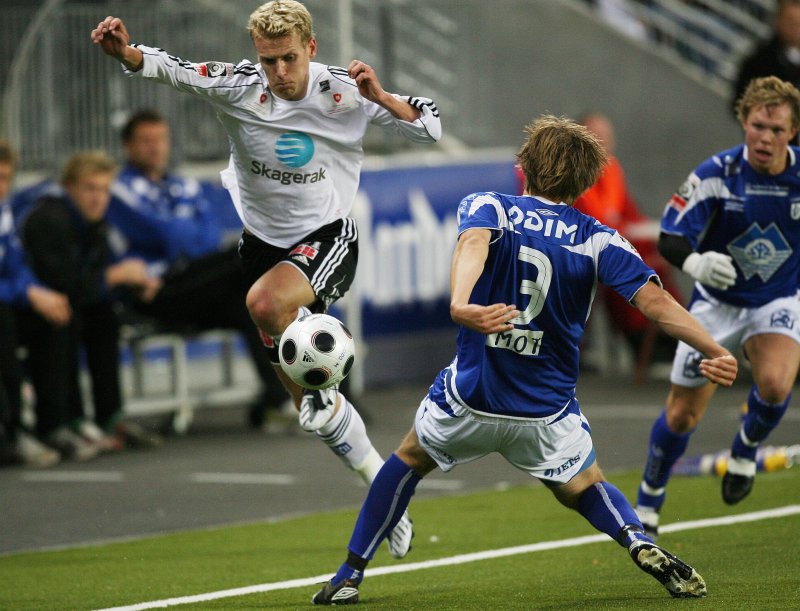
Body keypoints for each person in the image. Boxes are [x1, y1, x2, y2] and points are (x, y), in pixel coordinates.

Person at [310, 115, 738, 605]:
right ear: (584, 182)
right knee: (585, 484)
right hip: (546, 412)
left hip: (474, 398)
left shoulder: (491, 205)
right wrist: (715, 349)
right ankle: (636, 538)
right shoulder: (599, 238)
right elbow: (656, 303)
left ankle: (349, 575)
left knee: (408, 459)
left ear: (525, 164)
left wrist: (461, 303)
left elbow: (473, 243)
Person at [91, 0, 441, 558]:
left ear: (311, 48)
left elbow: (430, 125)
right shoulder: (239, 85)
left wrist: (381, 97)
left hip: (327, 235)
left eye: (288, 58)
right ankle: (381, 489)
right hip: (262, 247)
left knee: (263, 304)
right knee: (316, 411)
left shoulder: (344, 90)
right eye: (268, 60)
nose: (279, 72)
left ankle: (341, 407)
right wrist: (127, 55)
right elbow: (175, 69)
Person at [635, 76, 800, 539]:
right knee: (681, 415)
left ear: (793, 132)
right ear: (743, 122)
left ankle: (744, 452)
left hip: (776, 300)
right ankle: (649, 495)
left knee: (775, 384)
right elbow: (670, 236)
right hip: (716, 305)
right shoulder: (716, 173)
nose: (764, 138)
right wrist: (696, 262)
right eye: (757, 126)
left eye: (776, 129)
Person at [108, 108, 291, 430]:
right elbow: (165, 234)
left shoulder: (186, 186)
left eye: (160, 139)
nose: (155, 147)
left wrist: (178, 233)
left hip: (198, 284)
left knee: (253, 305)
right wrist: (181, 231)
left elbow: (206, 237)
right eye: (146, 140)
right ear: (128, 146)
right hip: (154, 291)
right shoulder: (119, 190)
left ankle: (283, 401)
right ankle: (290, 400)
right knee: (248, 257)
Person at [18, 150, 162, 459]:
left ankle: (109, 416)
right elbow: (61, 284)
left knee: (104, 316)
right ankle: (59, 422)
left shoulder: (93, 224)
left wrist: (134, 284)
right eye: (89, 188)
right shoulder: (49, 219)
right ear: (68, 187)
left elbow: (90, 282)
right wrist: (115, 275)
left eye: (104, 190)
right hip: (26, 309)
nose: (98, 198)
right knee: (62, 316)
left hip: (63, 303)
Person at [0, 140, 67, 467]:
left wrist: (35, 291)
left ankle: (56, 423)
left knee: (55, 316)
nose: (0, 186)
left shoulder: (4, 212)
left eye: (4, 178)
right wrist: (25, 292)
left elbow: (17, 265)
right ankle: (11, 432)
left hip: (7, 299)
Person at [732, 1, 800, 119]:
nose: (796, 29)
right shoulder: (759, 61)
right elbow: (740, 102)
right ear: (777, 21)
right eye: (791, 22)